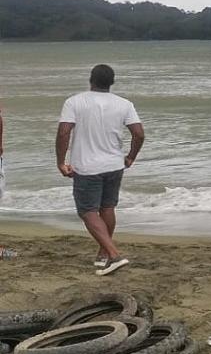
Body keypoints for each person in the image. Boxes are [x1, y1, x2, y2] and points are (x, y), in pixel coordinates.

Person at [54, 64, 145, 276]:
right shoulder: (124, 104)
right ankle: (103, 254)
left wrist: (61, 161)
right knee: (107, 208)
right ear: (112, 82)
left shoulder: (75, 102)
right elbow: (139, 134)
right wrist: (131, 156)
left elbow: (63, 133)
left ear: (90, 80)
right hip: (114, 164)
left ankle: (114, 255)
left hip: (87, 167)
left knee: (87, 211)